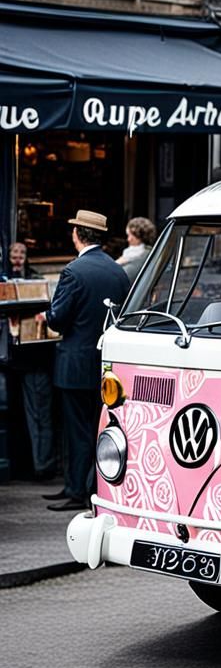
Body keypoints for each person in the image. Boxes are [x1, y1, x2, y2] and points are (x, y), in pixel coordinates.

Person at [38, 211, 130, 510]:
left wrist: (46, 316)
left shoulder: (74, 271)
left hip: (75, 362)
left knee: (76, 431)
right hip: (106, 364)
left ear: (78, 234)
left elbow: (58, 320)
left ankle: (76, 490)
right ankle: (89, 487)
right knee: (97, 428)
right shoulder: (118, 271)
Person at [3, 243, 58, 483]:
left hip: (30, 357)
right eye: (14, 254)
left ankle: (41, 466)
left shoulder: (34, 279)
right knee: (16, 414)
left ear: (26, 257)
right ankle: (20, 464)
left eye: (21, 254)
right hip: (11, 359)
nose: (17, 258)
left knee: (38, 414)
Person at [116, 216, 156, 283]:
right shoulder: (147, 252)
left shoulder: (142, 255)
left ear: (138, 236)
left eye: (130, 235)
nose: (128, 239)